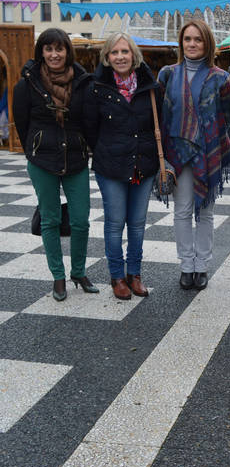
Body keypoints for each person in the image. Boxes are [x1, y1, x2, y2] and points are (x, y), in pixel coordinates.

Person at [13, 28, 96, 301]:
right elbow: (22, 123)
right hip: (42, 160)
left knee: (81, 219)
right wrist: (33, 150)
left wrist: (87, 148)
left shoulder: (82, 81)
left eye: (59, 49)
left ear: (67, 51)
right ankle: (58, 277)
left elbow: (87, 120)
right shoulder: (27, 84)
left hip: (75, 158)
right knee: (50, 219)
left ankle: (79, 272)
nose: (54, 54)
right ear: (42, 52)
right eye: (48, 49)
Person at [158, 20, 230, 291]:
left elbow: (227, 115)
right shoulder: (167, 74)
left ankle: (202, 266)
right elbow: (162, 116)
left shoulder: (220, 77)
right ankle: (186, 265)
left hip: (207, 152)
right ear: (181, 43)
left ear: (207, 44)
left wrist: (210, 141)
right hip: (176, 152)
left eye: (197, 39)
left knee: (205, 211)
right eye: (187, 39)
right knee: (181, 211)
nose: (191, 44)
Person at [84, 32, 160, 300]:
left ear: (134, 55)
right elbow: (90, 129)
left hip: (143, 164)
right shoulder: (96, 88)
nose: (120, 57)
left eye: (124, 52)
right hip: (111, 166)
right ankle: (117, 276)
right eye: (114, 53)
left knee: (138, 224)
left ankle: (135, 274)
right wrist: (108, 149)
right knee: (115, 224)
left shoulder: (149, 86)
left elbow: (157, 123)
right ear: (106, 57)